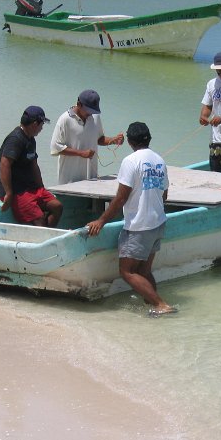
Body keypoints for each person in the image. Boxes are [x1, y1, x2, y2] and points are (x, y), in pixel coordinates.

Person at [87, 122, 176, 316]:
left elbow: (121, 198)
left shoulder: (130, 161)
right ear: (149, 138)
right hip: (158, 223)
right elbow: (164, 194)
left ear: (129, 141)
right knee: (144, 271)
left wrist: (101, 221)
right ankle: (152, 305)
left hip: (139, 226)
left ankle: (160, 304)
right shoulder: (160, 160)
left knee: (127, 272)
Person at [0, 106, 63, 227]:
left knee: (57, 206)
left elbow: (34, 165)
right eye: (41, 124)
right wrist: (9, 193)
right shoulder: (15, 139)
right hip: (17, 191)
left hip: (31, 188)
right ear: (34, 124)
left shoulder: (31, 139)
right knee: (39, 219)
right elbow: (4, 164)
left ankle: (46, 237)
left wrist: (42, 188)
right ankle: (42, 238)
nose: (42, 128)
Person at [50, 89, 124, 185]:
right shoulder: (65, 119)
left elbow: (99, 139)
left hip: (91, 179)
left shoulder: (95, 117)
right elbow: (56, 148)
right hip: (68, 181)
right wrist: (81, 153)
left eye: (93, 111)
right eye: (88, 110)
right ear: (78, 104)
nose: (90, 113)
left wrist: (114, 140)